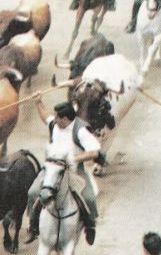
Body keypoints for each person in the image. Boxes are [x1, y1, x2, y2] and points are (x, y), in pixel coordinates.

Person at [26, 97, 103, 245]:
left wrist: (74, 159)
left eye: (56, 117)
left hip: (73, 170)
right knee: (33, 192)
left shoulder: (80, 130)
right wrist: (38, 102)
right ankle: (33, 226)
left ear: (65, 118)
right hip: (53, 168)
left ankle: (90, 225)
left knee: (89, 198)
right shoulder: (56, 124)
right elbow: (45, 118)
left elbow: (94, 152)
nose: (53, 119)